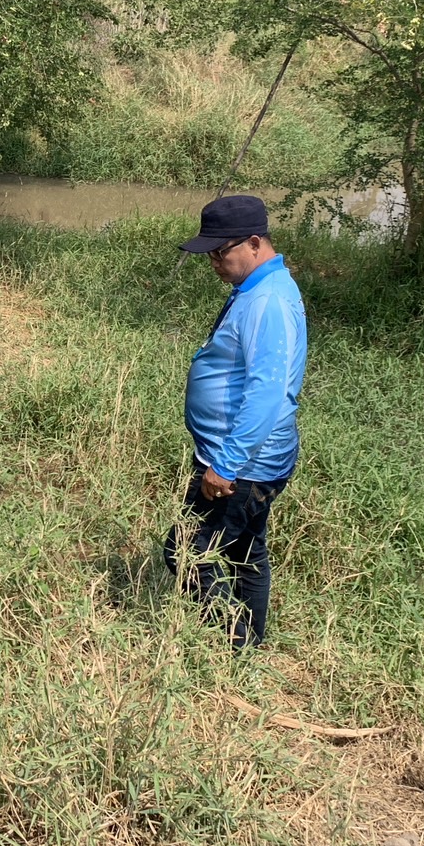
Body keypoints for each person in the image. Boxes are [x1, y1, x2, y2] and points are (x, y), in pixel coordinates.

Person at [167, 195, 306, 649]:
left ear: (252, 243)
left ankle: (237, 641)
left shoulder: (267, 301)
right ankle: (252, 643)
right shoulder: (257, 289)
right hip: (244, 458)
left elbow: (268, 394)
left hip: (243, 463)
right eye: (209, 254)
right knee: (246, 551)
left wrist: (225, 465)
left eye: (219, 253)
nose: (214, 263)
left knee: (184, 551)